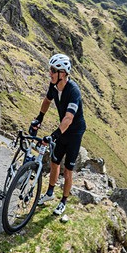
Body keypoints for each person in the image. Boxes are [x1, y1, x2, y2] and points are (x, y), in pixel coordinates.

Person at [30, 53, 86, 216]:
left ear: (63, 73)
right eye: (50, 69)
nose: (50, 73)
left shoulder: (73, 91)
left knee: (68, 170)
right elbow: (47, 101)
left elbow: (69, 118)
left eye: (54, 70)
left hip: (74, 132)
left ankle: (63, 202)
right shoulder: (53, 86)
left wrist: (53, 136)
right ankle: (49, 193)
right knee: (55, 162)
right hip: (63, 129)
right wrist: (39, 118)